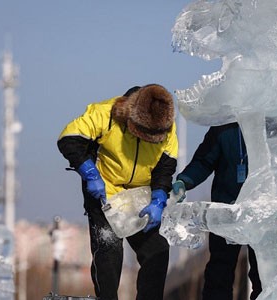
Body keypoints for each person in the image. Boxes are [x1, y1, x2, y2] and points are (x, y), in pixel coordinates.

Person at [57, 84, 178, 300]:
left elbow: (165, 166)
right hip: (105, 195)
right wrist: (90, 173)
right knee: (109, 253)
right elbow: (68, 139)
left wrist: (159, 198)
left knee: (157, 252)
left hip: (141, 198)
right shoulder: (105, 113)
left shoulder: (166, 125)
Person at [171, 122, 262, 300]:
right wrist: (184, 181)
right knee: (219, 271)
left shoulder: (271, 125)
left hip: (261, 210)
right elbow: (204, 161)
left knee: (263, 272)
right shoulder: (223, 127)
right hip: (225, 209)